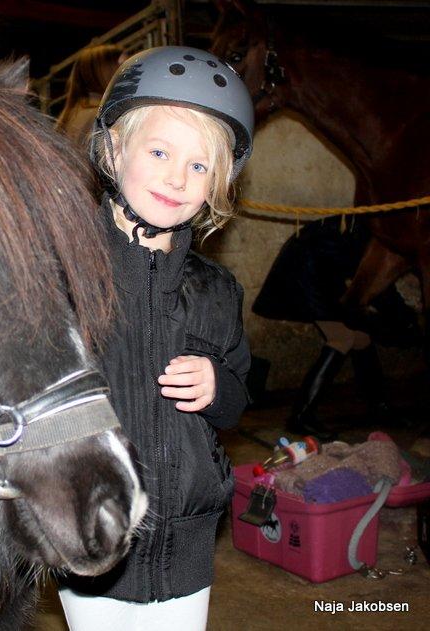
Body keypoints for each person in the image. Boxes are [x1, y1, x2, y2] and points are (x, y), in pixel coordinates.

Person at [57, 47, 254, 630]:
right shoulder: (65, 273)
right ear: (115, 149)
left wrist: (219, 387)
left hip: (189, 543)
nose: (177, 177)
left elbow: (238, 405)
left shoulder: (217, 289)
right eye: (160, 151)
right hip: (93, 532)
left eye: (199, 166)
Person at [252, 216, 418, 439]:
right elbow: (380, 289)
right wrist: (406, 322)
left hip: (318, 274)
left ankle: (379, 407)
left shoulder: (381, 230)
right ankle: (301, 416)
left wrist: (401, 320)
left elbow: (376, 288)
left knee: (360, 338)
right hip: (304, 274)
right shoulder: (385, 237)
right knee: (343, 338)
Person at [55, 44, 125, 148]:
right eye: (122, 67)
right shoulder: (104, 115)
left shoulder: (70, 115)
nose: (130, 73)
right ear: (107, 72)